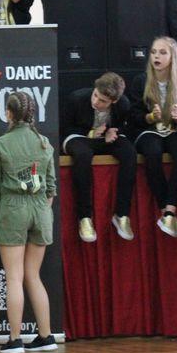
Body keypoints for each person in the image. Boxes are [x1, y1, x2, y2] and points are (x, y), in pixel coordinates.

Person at [0, 92, 58, 353]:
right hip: (41, 209)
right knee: (33, 275)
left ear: (9, 113)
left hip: (12, 209)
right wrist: (41, 210)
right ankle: (46, 336)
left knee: (14, 277)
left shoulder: (0, 144)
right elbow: (51, 188)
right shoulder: (44, 143)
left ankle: (15, 339)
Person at [128, 36, 177, 237]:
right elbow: (133, 116)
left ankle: (170, 211)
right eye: (153, 52)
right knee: (153, 151)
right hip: (149, 129)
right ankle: (165, 210)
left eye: (162, 52)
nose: (156, 56)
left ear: (173, 57)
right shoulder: (141, 81)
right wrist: (150, 117)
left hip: (174, 129)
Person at [62, 72, 137, 243]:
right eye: (95, 95)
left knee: (129, 153)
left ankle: (122, 214)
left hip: (105, 137)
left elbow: (127, 127)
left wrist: (113, 131)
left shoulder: (123, 104)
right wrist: (90, 133)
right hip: (79, 136)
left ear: (114, 101)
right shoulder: (77, 99)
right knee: (83, 155)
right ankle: (84, 217)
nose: (96, 102)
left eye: (102, 101)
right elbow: (63, 128)